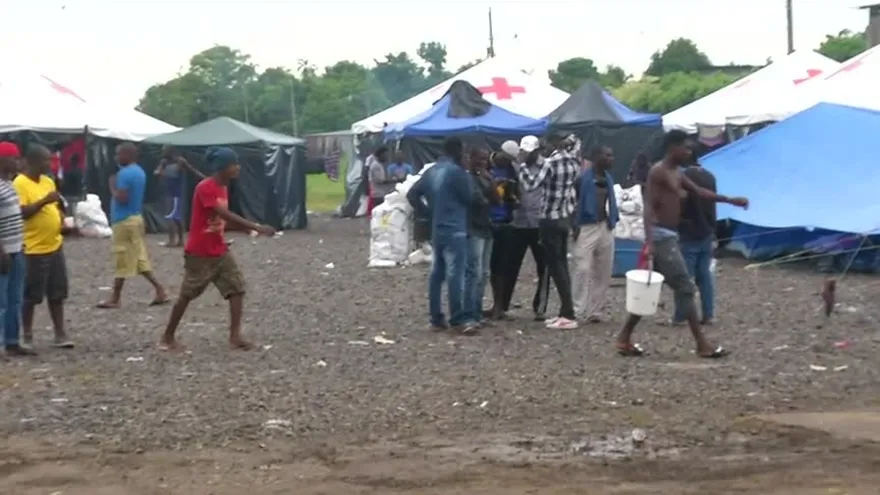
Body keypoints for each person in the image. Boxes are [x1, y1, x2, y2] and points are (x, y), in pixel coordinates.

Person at [616, 130, 748, 358]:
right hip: (660, 237)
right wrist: (650, 243)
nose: (688, 152)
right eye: (684, 148)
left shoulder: (677, 172)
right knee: (685, 288)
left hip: (668, 235)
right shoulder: (658, 171)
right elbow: (649, 206)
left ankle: (623, 338)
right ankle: (702, 345)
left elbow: (699, 192)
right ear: (672, 148)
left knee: (649, 289)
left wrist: (730, 200)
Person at [160, 147, 276, 352]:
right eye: (234, 164)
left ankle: (235, 336)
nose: (238, 167)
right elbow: (223, 213)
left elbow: (220, 220)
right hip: (200, 252)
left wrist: (245, 231)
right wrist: (255, 226)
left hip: (219, 249)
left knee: (237, 288)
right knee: (187, 294)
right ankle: (168, 336)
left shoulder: (223, 188)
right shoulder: (206, 187)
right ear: (222, 167)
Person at [407, 137, 485, 334]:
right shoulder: (458, 173)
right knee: (455, 274)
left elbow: (412, 194)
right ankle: (459, 318)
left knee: (437, 274)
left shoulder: (431, 171)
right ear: (459, 151)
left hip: (437, 228)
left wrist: (427, 212)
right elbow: (471, 198)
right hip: (456, 228)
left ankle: (436, 318)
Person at [518, 133, 580, 330]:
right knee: (562, 265)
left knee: (556, 267)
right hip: (564, 218)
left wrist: (521, 165)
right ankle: (566, 310)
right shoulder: (573, 160)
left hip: (549, 219)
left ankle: (568, 313)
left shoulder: (550, 163)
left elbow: (530, 185)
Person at [13, 144, 73, 349]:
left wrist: (61, 219)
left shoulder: (48, 181)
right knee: (31, 295)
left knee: (57, 292)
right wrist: (44, 201)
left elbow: (55, 205)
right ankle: (27, 335)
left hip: (54, 244)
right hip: (32, 248)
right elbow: (23, 212)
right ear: (31, 161)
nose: (49, 164)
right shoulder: (20, 184)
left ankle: (60, 333)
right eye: (45, 160)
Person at [96, 143, 169, 309]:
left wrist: (111, 186)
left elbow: (122, 197)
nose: (116, 157)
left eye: (119, 154)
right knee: (137, 257)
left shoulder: (125, 174)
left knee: (122, 257)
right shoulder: (139, 172)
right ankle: (159, 290)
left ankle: (115, 298)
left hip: (124, 220)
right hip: (135, 217)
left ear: (128, 155)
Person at [500, 136, 550, 321]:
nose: (526, 155)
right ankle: (502, 305)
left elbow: (532, 185)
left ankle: (540, 308)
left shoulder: (545, 166)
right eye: (524, 151)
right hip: (519, 221)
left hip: (539, 221)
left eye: (530, 152)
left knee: (544, 267)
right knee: (510, 265)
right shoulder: (514, 165)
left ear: (537, 151)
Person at [572, 146, 619, 323]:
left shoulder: (607, 178)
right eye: (607, 155)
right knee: (582, 268)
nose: (611, 158)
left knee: (603, 270)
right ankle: (577, 308)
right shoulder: (582, 179)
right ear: (596, 157)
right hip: (586, 225)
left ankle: (595, 310)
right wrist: (574, 226)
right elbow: (574, 203)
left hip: (605, 225)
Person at [672, 154, 717, 326]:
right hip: (706, 230)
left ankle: (681, 316)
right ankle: (708, 314)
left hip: (688, 232)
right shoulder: (710, 176)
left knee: (684, 277)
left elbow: (679, 203)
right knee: (704, 276)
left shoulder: (683, 177)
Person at [0, 143, 32, 356]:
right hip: (3, 251)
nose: (18, 162)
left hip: (17, 248)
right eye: (14, 158)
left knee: (15, 297)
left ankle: (12, 340)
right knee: (1, 300)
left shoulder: (9, 185)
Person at [484, 146, 520, 319]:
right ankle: (485, 305)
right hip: (487, 222)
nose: (507, 162)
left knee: (501, 267)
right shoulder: (485, 167)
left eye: (510, 160)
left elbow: (515, 194)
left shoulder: (511, 170)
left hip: (505, 222)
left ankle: (498, 306)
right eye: (505, 158)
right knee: (487, 267)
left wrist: (514, 198)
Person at [464, 149, 497, 327]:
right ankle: (470, 313)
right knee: (474, 272)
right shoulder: (468, 178)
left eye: (485, 159)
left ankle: (477, 312)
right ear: (471, 159)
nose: (482, 162)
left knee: (484, 273)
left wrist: (490, 181)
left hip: (486, 227)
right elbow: (480, 201)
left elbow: (496, 199)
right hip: (473, 228)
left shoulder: (486, 177)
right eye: (479, 159)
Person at [155, 145, 205, 247]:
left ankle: (178, 240)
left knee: (175, 217)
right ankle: (173, 240)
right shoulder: (164, 162)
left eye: (165, 151)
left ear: (171, 151)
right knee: (171, 217)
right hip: (168, 192)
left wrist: (204, 177)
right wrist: (159, 172)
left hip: (176, 193)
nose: (163, 153)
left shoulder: (180, 161)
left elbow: (193, 170)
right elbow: (157, 172)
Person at [367, 146, 395, 211]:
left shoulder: (379, 165)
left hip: (380, 193)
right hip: (378, 194)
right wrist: (393, 181)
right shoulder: (376, 165)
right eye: (385, 155)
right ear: (380, 155)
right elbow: (380, 180)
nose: (387, 157)